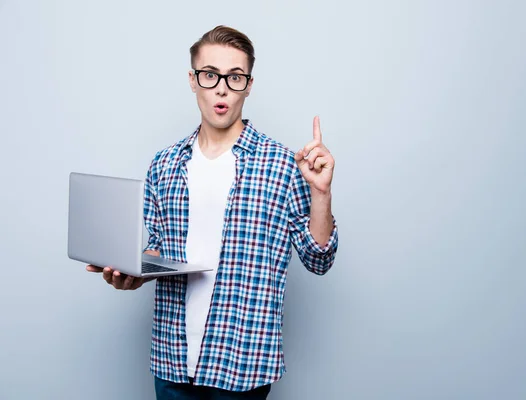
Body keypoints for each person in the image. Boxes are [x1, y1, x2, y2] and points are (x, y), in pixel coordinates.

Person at [86, 25, 339, 400]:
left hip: (242, 364)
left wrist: (321, 194)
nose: (222, 88)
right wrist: (135, 272)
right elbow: (159, 251)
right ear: (193, 80)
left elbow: (319, 260)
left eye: (235, 77)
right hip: (171, 362)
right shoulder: (164, 165)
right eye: (210, 75)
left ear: (249, 85)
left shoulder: (283, 165)